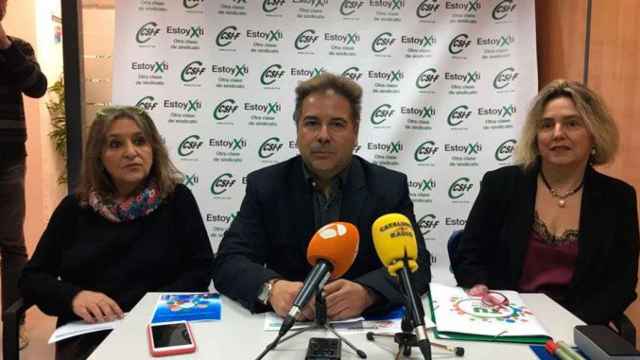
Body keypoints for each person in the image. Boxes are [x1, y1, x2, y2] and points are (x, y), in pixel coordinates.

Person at [213, 72, 430, 321]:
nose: (323, 136)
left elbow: (417, 266)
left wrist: (368, 292)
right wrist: (271, 289)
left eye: (337, 124)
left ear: (355, 131)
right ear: (298, 129)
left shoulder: (388, 187)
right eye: (312, 123)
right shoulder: (266, 186)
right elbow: (228, 261)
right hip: (288, 326)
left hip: (362, 330)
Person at [20, 106, 214, 359]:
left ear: (153, 148)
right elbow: (31, 279)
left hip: (158, 322)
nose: (131, 152)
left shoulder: (177, 200)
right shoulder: (74, 209)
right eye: (115, 144)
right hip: (91, 330)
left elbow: (201, 268)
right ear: (98, 156)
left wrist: (151, 308)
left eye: (140, 141)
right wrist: (73, 297)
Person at [452, 79, 639, 326]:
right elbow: (469, 255)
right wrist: (481, 288)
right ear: (535, 136)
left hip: (579, 326)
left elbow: (621, 283)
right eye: (547, 125)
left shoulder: (618, 198)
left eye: (572, 124)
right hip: (505, 321)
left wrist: (573, 324)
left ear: (595, 134)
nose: (558, 133)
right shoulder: (501, 184)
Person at [0, 0, 48, 349]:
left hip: (9, 161)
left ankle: (13, 322)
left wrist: (4, 45)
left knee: (12, 244)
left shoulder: (18, 48)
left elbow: (36, 86)